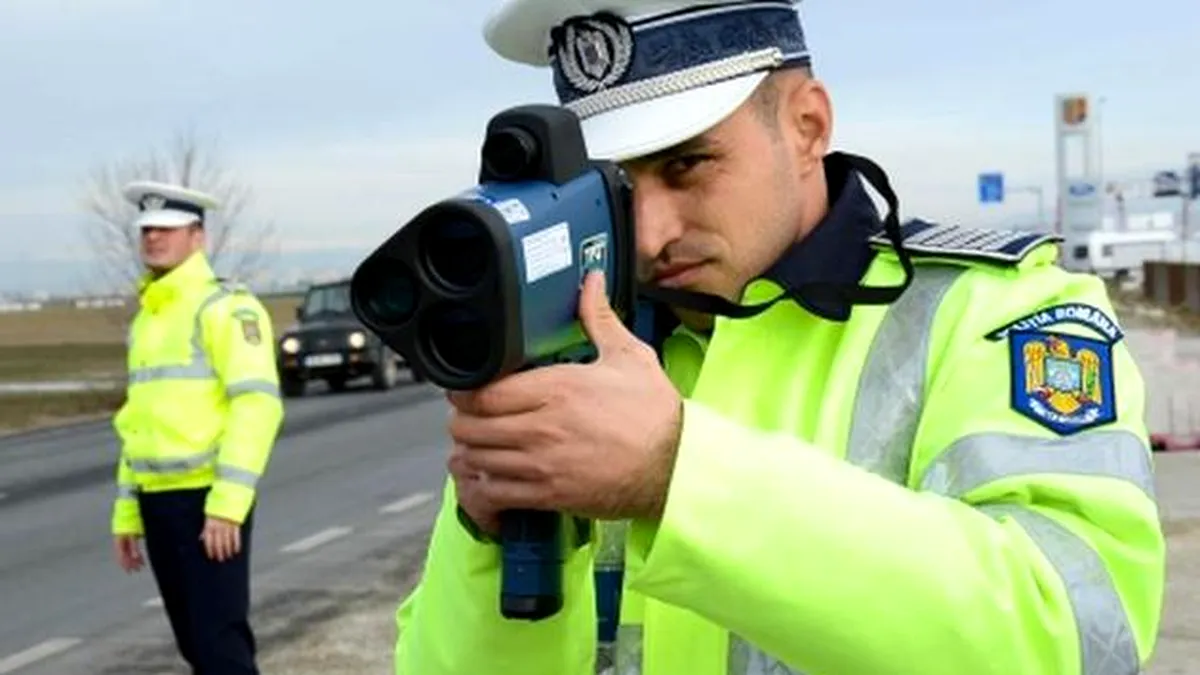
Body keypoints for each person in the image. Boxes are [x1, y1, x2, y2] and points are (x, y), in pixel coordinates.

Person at [393, 1, 1166, 674]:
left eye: (689, 164)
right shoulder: (577, 353)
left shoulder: (995, 312)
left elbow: (1075, 636)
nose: (652, 232)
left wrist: (678, 473)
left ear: (807, 125)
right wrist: (487, 537)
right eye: (617, 190)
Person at [110, 180, 285, 675]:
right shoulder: (148, 318)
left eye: (166, 229)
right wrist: (127, 513)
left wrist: (228, 507)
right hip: (158, 499)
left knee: (220, 649)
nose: (153, 239)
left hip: (207, 502)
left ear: (198, 237)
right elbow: (136, 423)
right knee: (195, 646)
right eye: (147, 230)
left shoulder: (225, 307)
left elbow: (258, 405)